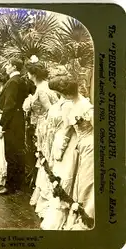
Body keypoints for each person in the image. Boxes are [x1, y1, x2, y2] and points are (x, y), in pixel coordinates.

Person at [49, 75, 94, 230]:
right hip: (81, 146)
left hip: (90, 147)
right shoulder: (71, 104)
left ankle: (86, 218)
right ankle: (78, 214)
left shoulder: (86, 107)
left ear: (67, 94)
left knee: (87, 183)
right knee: (80, 182)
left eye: (60, 94)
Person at [40, 75, 78, 230]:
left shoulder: (68, 105)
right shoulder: (62, 103)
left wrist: (59, 149)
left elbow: (67, 130)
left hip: (66, 144)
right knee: (56, 175)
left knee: (63, 176)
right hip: (58, 140)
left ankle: (61, 215)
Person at [25, 59, 59, 216]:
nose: (27, 75)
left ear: (33, 75)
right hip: (42, 125)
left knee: (44, 158)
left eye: (29, 73)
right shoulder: (46, 86)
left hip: (44, 127)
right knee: (43, 158)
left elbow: (52, 111)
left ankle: (46, 191)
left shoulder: (41, 90)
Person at [0, 58, 30, 195]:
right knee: (18, 153)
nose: (6, 67)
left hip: (12, 121)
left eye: (8, 65)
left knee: (11, 154)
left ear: (14, 66)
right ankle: (18, 186)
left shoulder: (13, 82)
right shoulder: (21, 80)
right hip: (18, 119)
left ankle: (11, 186)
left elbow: (9, 105)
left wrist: (2, 123)